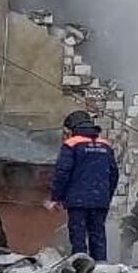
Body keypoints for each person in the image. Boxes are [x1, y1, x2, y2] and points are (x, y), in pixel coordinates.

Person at [49, 109, 119, 261]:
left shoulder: (71, 144)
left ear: (72, 127)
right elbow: (114, 174)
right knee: (98, 236)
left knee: (78, 237)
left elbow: (62, 173)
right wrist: (106, 196)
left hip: (77, 201)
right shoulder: (105, 145)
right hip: (100, 201)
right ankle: (102, 271)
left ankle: (81, 269)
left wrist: (56, 197)